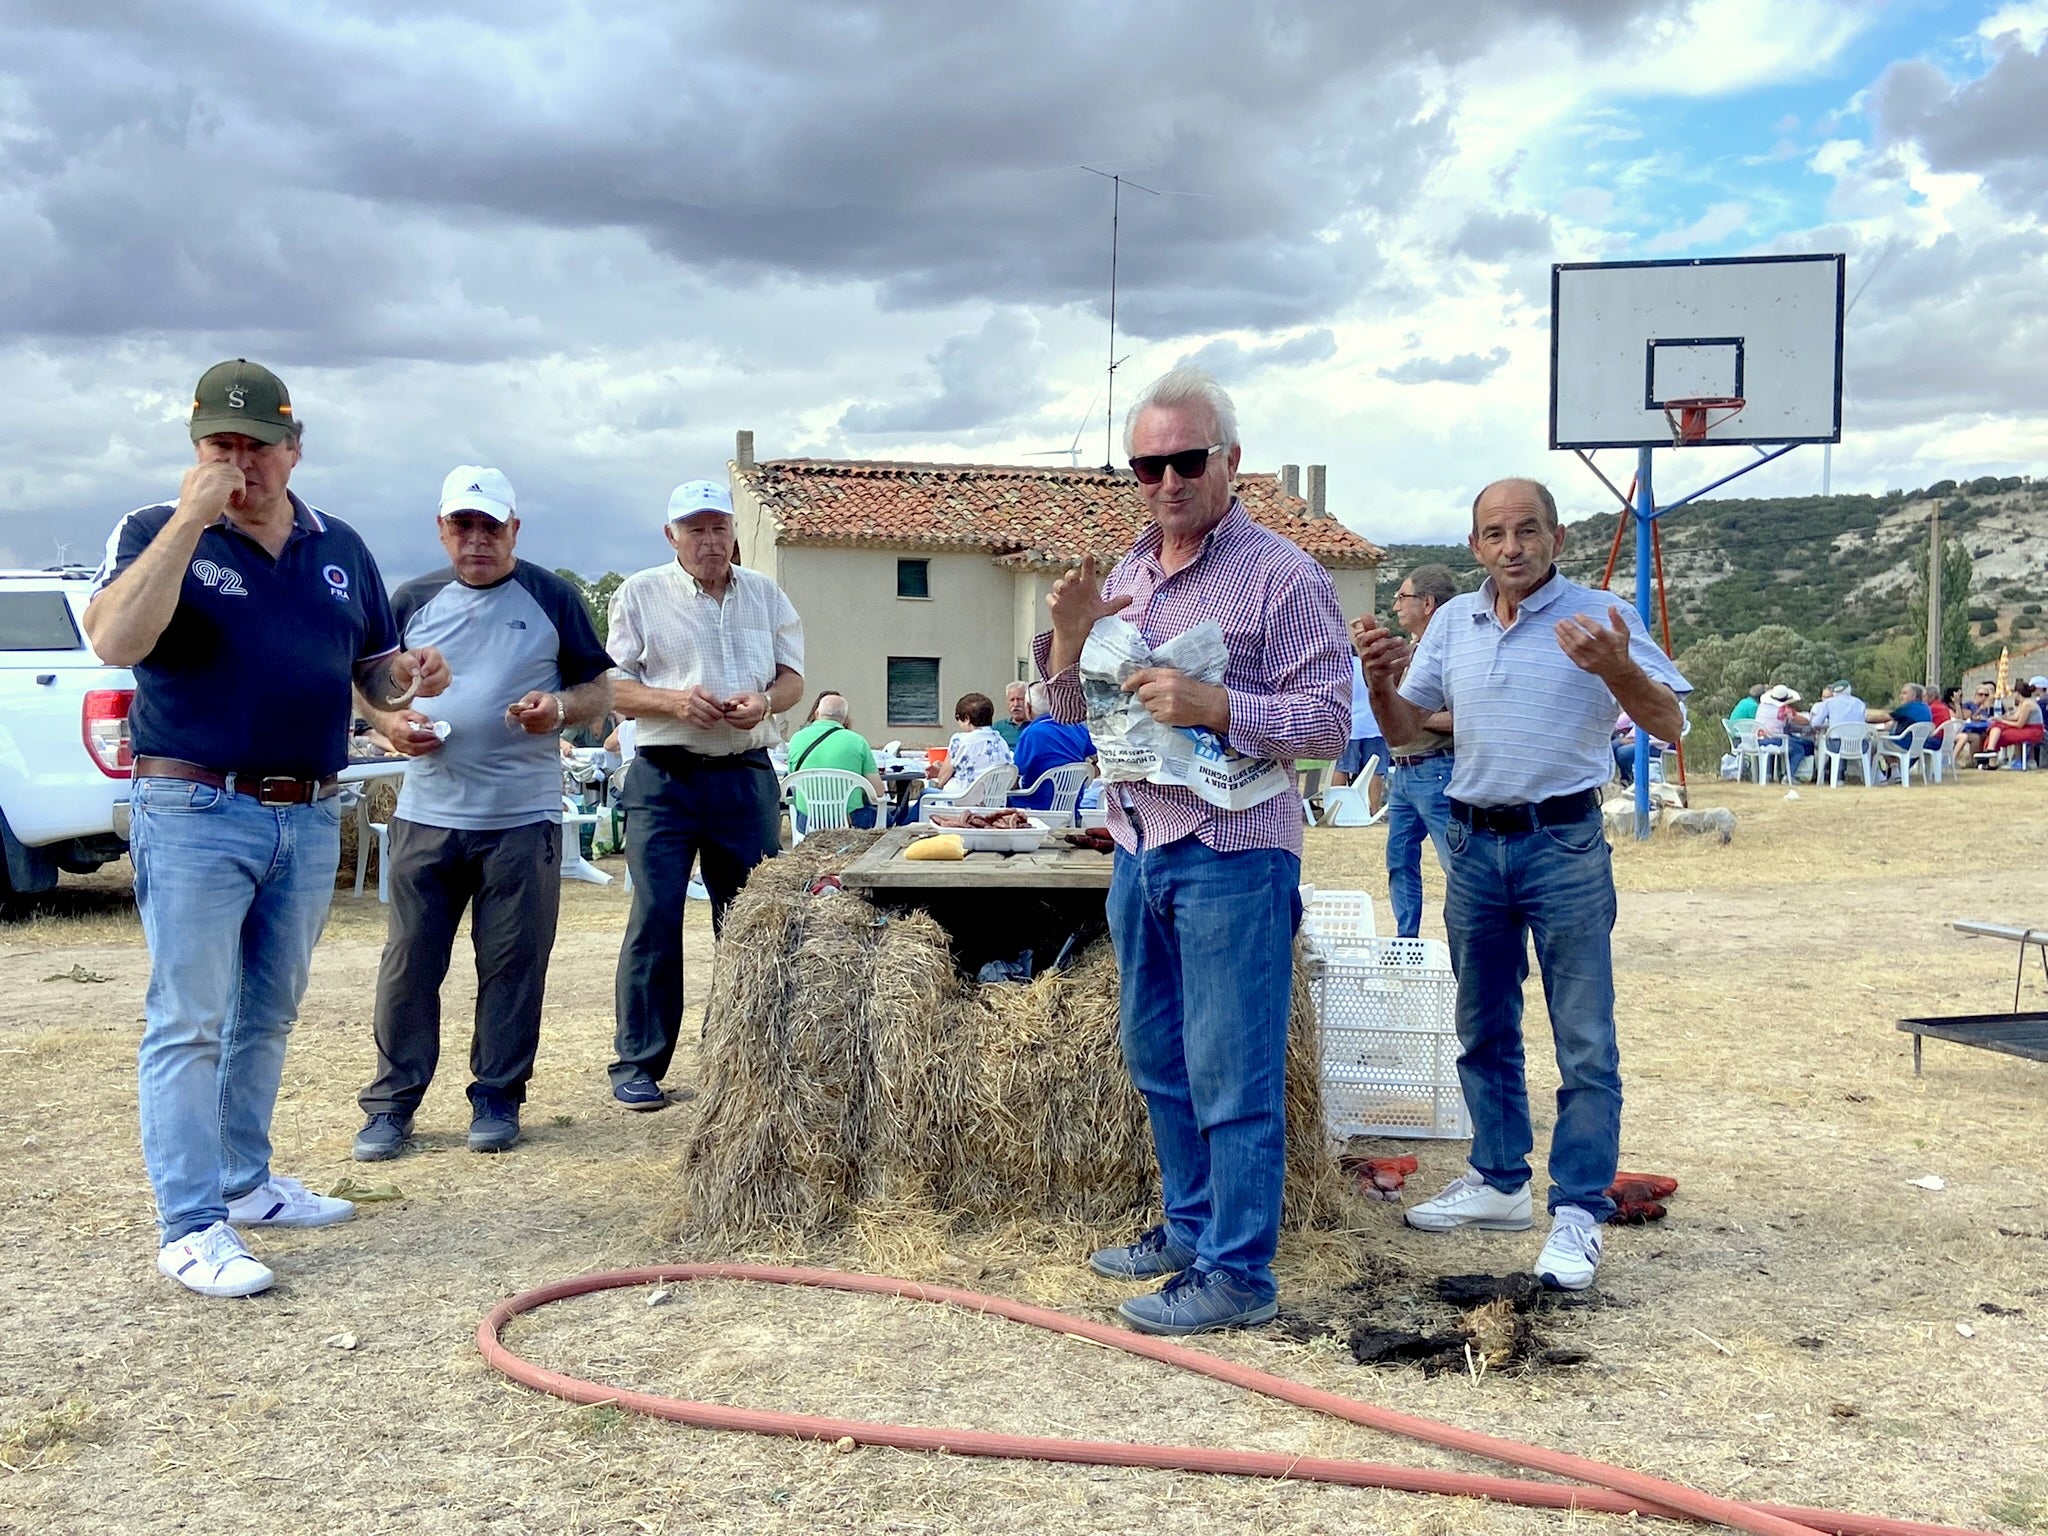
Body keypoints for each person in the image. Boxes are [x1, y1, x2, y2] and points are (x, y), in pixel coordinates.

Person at [83, 359, 449, 1298]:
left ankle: (245, 1184)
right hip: (195, 802)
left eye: (257, 445)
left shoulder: (341, 547)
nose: (240, 463)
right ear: (196, 448)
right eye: (220, 445)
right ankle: (189, 1225)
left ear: (295, 448)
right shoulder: (152, 531)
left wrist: (407, 679)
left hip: (309, 808)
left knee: (268, 1013)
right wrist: (187, 522)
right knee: (188, 1020)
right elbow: (116, 641)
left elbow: (366, 676)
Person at [1036, 365, 1350, 1336]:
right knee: (1159, 1055)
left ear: (1230, 462)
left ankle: (1238, 1275)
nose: (1165, 481)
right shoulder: (1123, 577)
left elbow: (1334, 722)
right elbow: (1065, 712)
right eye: (1145, 464)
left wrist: (1219, 706)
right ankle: (1188, 1229)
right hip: (1138, 844)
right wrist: (1064, 634)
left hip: (1232, 851)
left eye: (1184, 460)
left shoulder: (1283, 577)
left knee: (1232, 1066)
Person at [1354, 476, 1688, 1293]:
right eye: (1495, 533)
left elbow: (1671, 724)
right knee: (1482, 1025)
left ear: (1558, 537)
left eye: (1527, 530)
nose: (1512, 547)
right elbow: (1407, 735)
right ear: (1474, 546)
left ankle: (1577, 1209)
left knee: (1583, 1036)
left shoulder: (1602, 617)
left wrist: (1618, 673)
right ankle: (1500, 1182)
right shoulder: (1454, 625)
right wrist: (1380, 685)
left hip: (1562, 844)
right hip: (1473, 844)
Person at [351, 466, 614, 1162]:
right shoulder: (410, 600)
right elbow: (367, 687)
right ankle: (391, 1105)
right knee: (409, 964)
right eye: (462, 526)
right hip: (427, 813)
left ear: (514, 531)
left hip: (522, 818)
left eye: (490, 526)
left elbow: (598, 688)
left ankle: (497, 1097)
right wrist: (391, 728)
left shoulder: (552, 596)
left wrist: (558, 710)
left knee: (513, 965)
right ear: (441, 531)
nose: (477, 540)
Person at [606, 479, 804, 1109]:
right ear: (672, 536)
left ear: (734, 532)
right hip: (663, 777)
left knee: (748, 923)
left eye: (719, 527)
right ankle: (639, 1062)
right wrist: (671, 701)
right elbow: (610, 685)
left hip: (745, 774)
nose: (710, 540)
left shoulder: (767, 595)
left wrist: (765, 701)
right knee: (656, 916)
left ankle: (748, 1058)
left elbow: (793, 678)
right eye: (695, 529)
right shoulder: (639, 594)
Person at [1381, 564, 1457, 940]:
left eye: (1402, 596)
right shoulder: (1413, 651)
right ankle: (1405, 940)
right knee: (1398, 859)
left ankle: (1474, 938)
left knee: (1455, 863)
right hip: (1404, 772)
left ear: (1427, 603)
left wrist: (1414, 718)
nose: (1395, 606)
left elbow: (1466, 720)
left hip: (1436, 770)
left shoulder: (1451, 652)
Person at [785, 689, 884, 830]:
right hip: (851, 821)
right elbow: (878, 792)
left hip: (807, 821)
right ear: (845, 719)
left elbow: (793, 781)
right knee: (897, 815)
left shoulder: (796, 739)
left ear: (816, 714)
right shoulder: (857, 742)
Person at [1010, 681, 1095, 811]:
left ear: (1028, 707)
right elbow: (1098, 756)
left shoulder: (1031, 733)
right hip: (1072, 808)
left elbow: (1015, 775)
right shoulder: (1077, 727)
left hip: (1035, 807)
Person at [1331, 656, 1388, 816]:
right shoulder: (1371, 666)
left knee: (1342, 767)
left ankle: (1337, 809)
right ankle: (1374, 809)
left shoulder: (1341, 666)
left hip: (1350, 725)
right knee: (1376, 770)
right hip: (1375, 724)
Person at [926, 692, 1013, 792]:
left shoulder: (960, 740)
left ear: (967, 719)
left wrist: (940, 770)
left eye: (957, 718)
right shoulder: (1001, 742)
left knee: (925, 793)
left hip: (958, 801)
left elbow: (942, 780)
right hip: (991, 802)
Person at [1978, 681, 2043, 767]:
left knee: (2001, 734)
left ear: (2018, 693)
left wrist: (2002, 721)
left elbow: (2019, 724)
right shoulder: (2023, 703)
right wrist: (2000, 719)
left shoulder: (2027, 704)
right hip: (2027, 728)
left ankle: (1991, 754)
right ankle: (1990, 752)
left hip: (2033, 731)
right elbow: (2015, 717)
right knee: (1997, 727)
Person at [1755, 684, 1811, 782]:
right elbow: (1804, 721)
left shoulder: (1762, 706)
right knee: (1799, 749)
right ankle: (1789, 776)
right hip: (1775, 739)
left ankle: (1770, 774)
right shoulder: (1783, 709)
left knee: (1798, 743)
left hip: (1759, 739)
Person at [994, 682, 1030, 749]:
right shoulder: (998, 728)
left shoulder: (1035, 726)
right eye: (1012, 700)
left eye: (1020, 699)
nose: (1016, 704)